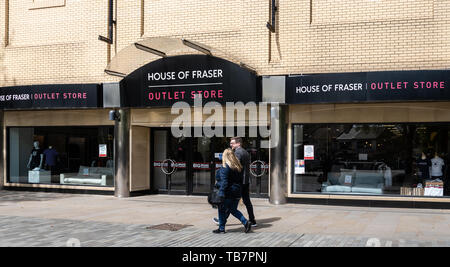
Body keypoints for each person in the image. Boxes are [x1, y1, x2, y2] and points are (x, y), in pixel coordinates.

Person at [213, 137, 257, 227]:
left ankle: (222, 220)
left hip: (240, 181)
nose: (231, 145)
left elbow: (234, 166)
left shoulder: (238, 153)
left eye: (232, 143)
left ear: (238, 144)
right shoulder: (245, 152)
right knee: (246, 201)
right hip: (246, 180)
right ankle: (252, 220)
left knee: (230, 203)